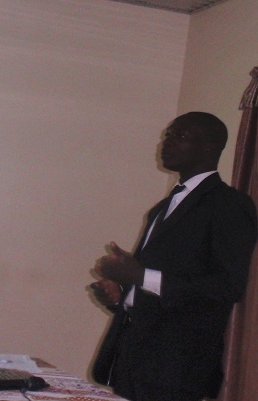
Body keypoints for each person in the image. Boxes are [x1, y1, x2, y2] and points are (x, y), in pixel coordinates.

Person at [90, 112, 257, 401]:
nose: (165, 142)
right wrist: (121, 296)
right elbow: (157, 287)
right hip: (133, 361)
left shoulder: (230, 205)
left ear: (209, 147)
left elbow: (227, 286)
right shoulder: (163, 207)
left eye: (179, 136)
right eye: (167, 134)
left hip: (178, 369)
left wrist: (139, 275)